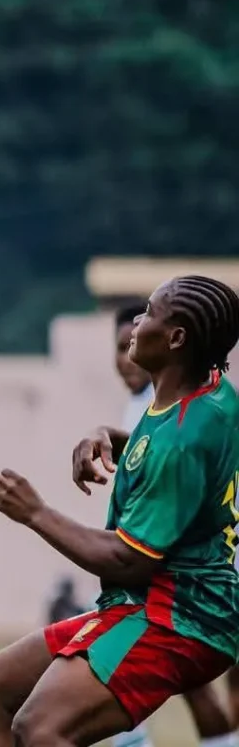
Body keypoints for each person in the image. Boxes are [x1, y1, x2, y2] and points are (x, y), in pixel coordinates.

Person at [0, 275, 239, 747]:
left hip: (178, 615)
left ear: (177, 338)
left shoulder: (183, 439)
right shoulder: (208, 389)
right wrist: (112, 434)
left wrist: (35, 512)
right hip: (150, 602)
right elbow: (163, 442)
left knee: (40, 729)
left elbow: (128, 559)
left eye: (150, 314)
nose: (137, 322)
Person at [110, 303, 238, 747]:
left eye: (142, 327)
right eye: (119, 343)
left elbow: (174, 466)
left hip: (188, 577)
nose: (127, 351)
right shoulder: (145, 408)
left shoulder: (187, 406)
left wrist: (36, 515)